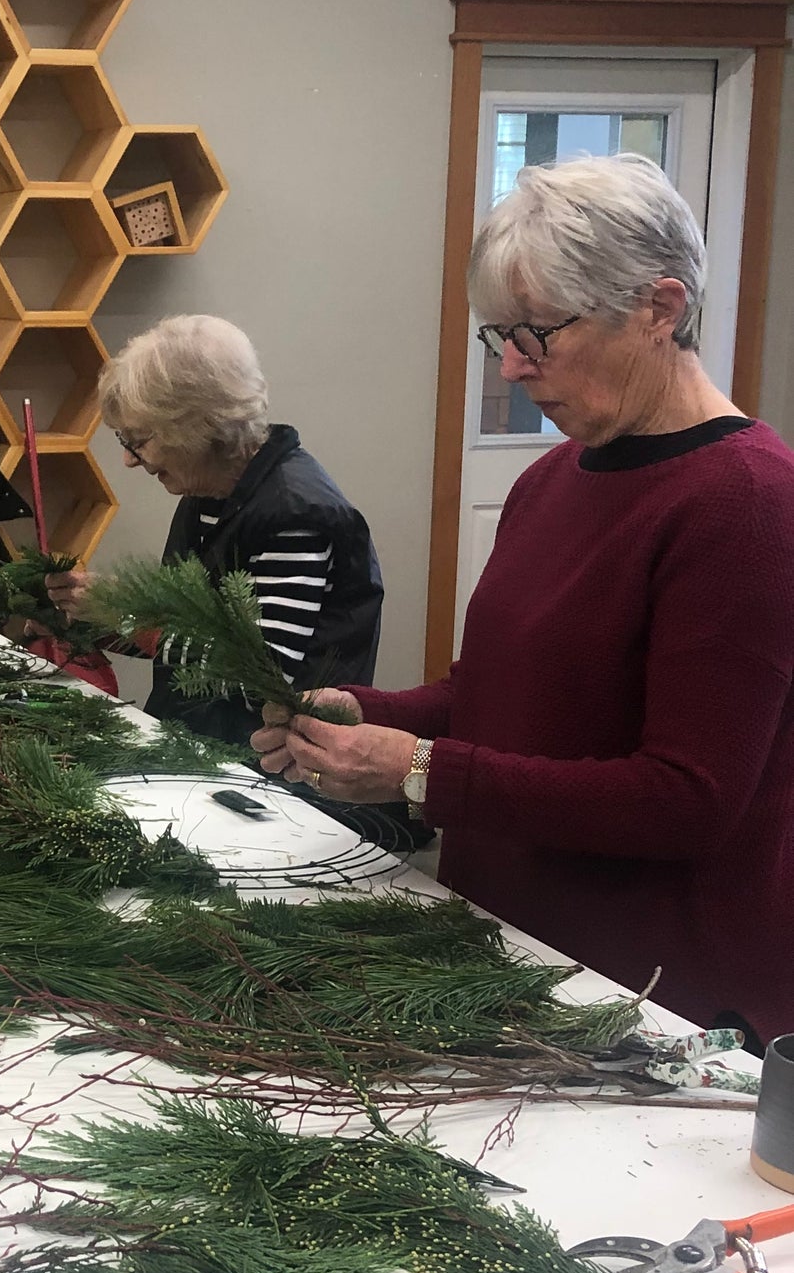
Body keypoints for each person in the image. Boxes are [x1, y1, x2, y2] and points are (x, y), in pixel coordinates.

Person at [255, 151, 794, 1041]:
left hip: (655, 998)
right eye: (498, 334)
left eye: (538, 332)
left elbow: (687, 798)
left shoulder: (750, 504)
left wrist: (418, 771)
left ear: (660, 307)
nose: (510, 366)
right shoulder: (552, 479)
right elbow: (499, 696)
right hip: (514, 950)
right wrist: (360, 710)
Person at [49, 314, 388, 745]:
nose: (130, 460)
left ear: (196, 426)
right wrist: (84, 618)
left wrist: (128, 616)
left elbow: (258, 678)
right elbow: (185, 649)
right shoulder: (207, 496)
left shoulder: (296, 515)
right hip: (203, 747)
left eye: (139, 440)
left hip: (276, 771)